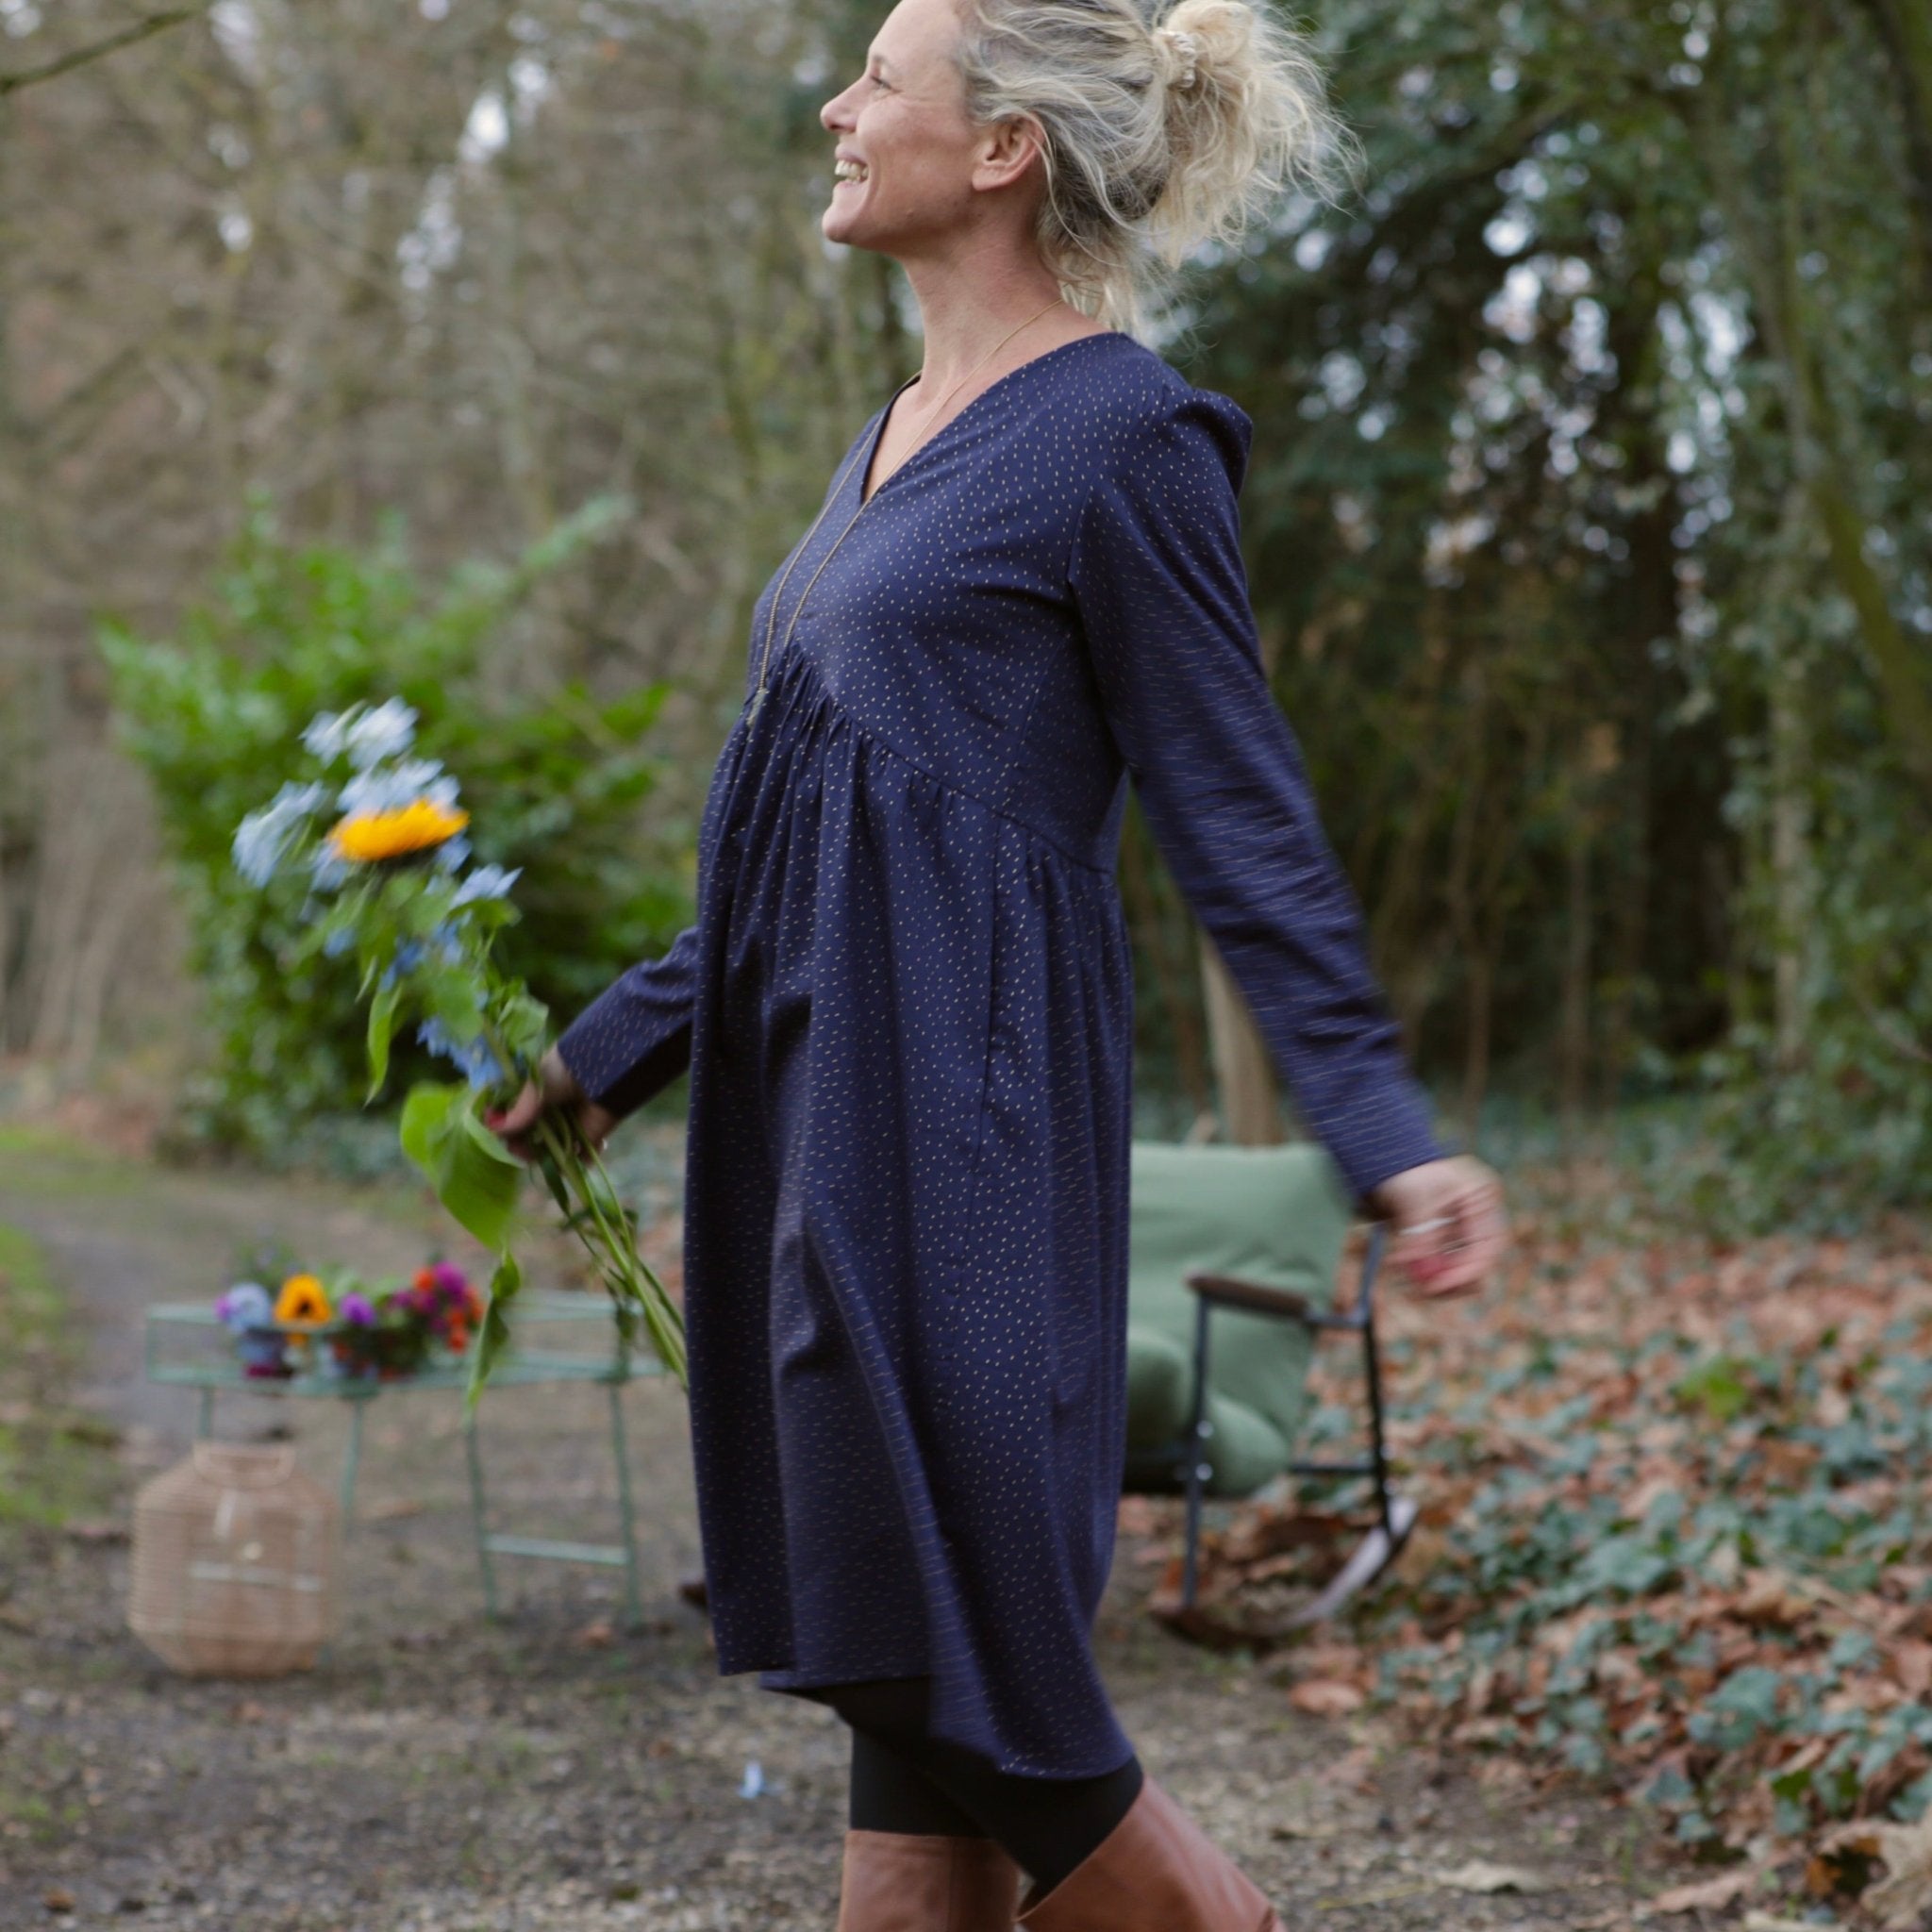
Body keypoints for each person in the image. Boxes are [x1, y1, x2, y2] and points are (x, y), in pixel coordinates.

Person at [491, 0, 1507, 1924]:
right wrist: (600, 1056)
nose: (835, 103)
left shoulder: (1123, 438)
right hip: (818, 1126)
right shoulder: (879, 448)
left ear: (1001, 149)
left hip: (961, 1143)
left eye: (880, 76)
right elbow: (793, 844)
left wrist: (1384, 1129)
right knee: (902, 1717)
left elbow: (1239, 813)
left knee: (933, 1636)